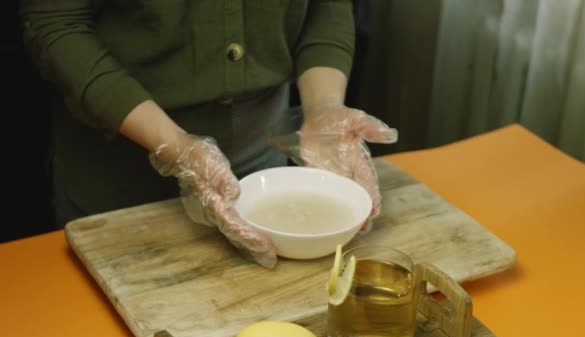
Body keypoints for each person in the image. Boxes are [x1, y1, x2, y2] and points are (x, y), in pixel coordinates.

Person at [19, 0, 397, 268]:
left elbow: (326, 7)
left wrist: (324, 108)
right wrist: (173, 145)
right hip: (119, 178)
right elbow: (57, 24)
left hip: (262, 154)